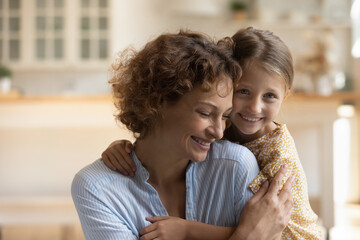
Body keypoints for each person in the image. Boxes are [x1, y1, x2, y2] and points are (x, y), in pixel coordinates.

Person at [102, 27, 322, 239]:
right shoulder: (226, 126)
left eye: (270, 96)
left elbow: (268, 230)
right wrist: (123, 147)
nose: (254, 107)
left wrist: (187, 230)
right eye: (243, 91)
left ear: (285, 97)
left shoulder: (278, 156)